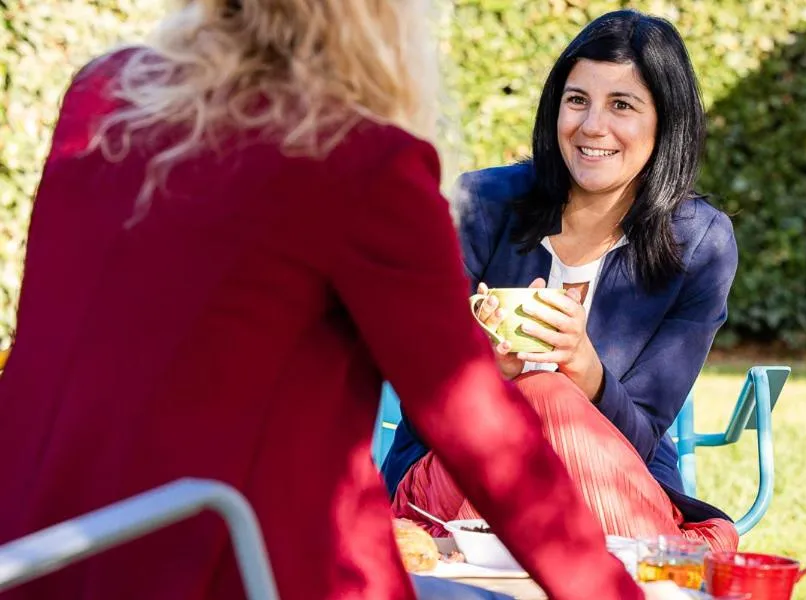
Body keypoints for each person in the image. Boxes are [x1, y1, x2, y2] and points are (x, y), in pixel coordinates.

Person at [0, 1, 661, 599]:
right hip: (232, 566)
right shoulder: (359, 163)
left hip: (39, 555)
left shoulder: (103, 92)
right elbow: (481, 432)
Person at [386, 9, 741, 553]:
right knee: (538, 391)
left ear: (665, 123)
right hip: (455, 479)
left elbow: (643, 437)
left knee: (551, 389)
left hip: (612, 494)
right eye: (577, 100)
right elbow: (420, 398)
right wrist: (484, 372)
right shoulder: (481, 204)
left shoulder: (700, 244)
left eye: (621, 105)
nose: (592, 126)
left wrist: (587, 370)